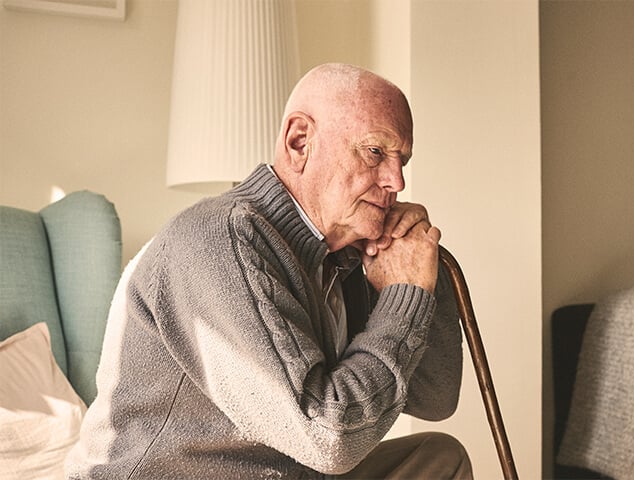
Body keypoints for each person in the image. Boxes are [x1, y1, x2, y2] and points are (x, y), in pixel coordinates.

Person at [66, 63, 473, 479]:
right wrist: (405, 298)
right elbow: (329, 437)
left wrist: (417, 267)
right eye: (375, 152)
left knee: (440, 456)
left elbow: (435, 397)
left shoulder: (345, 252)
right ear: (300, 141)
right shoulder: (220, 239)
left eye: (401, 159)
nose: (397, 181)